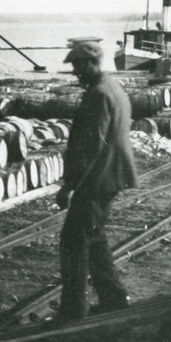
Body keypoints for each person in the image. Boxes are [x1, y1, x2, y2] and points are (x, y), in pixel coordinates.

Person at [52, 40, 138, 323]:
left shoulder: (98, 94)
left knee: (74, 242)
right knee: (95, 238)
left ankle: (73, 311)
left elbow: (90, 147)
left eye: (78, 65)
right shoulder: (114, 88)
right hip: (111, 176)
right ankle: (114, 299)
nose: (75, 72)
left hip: (98, 179)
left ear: (91, 63)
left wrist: (69, 185)